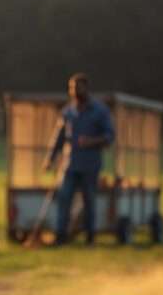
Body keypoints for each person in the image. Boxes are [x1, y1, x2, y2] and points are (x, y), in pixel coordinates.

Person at [43, 73, 115, 245]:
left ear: (86, 88)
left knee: (89, 201)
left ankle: (90, 237)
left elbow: (110, 136)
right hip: (69, 165)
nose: (74, 91)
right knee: (64, 198)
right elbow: (59, 138)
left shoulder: (100, 111)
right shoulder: (68, 112)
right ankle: (61, 236)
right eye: (71, 88)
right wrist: (50, 159)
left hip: (90, 165)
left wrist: (92, 141)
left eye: (77, 87)